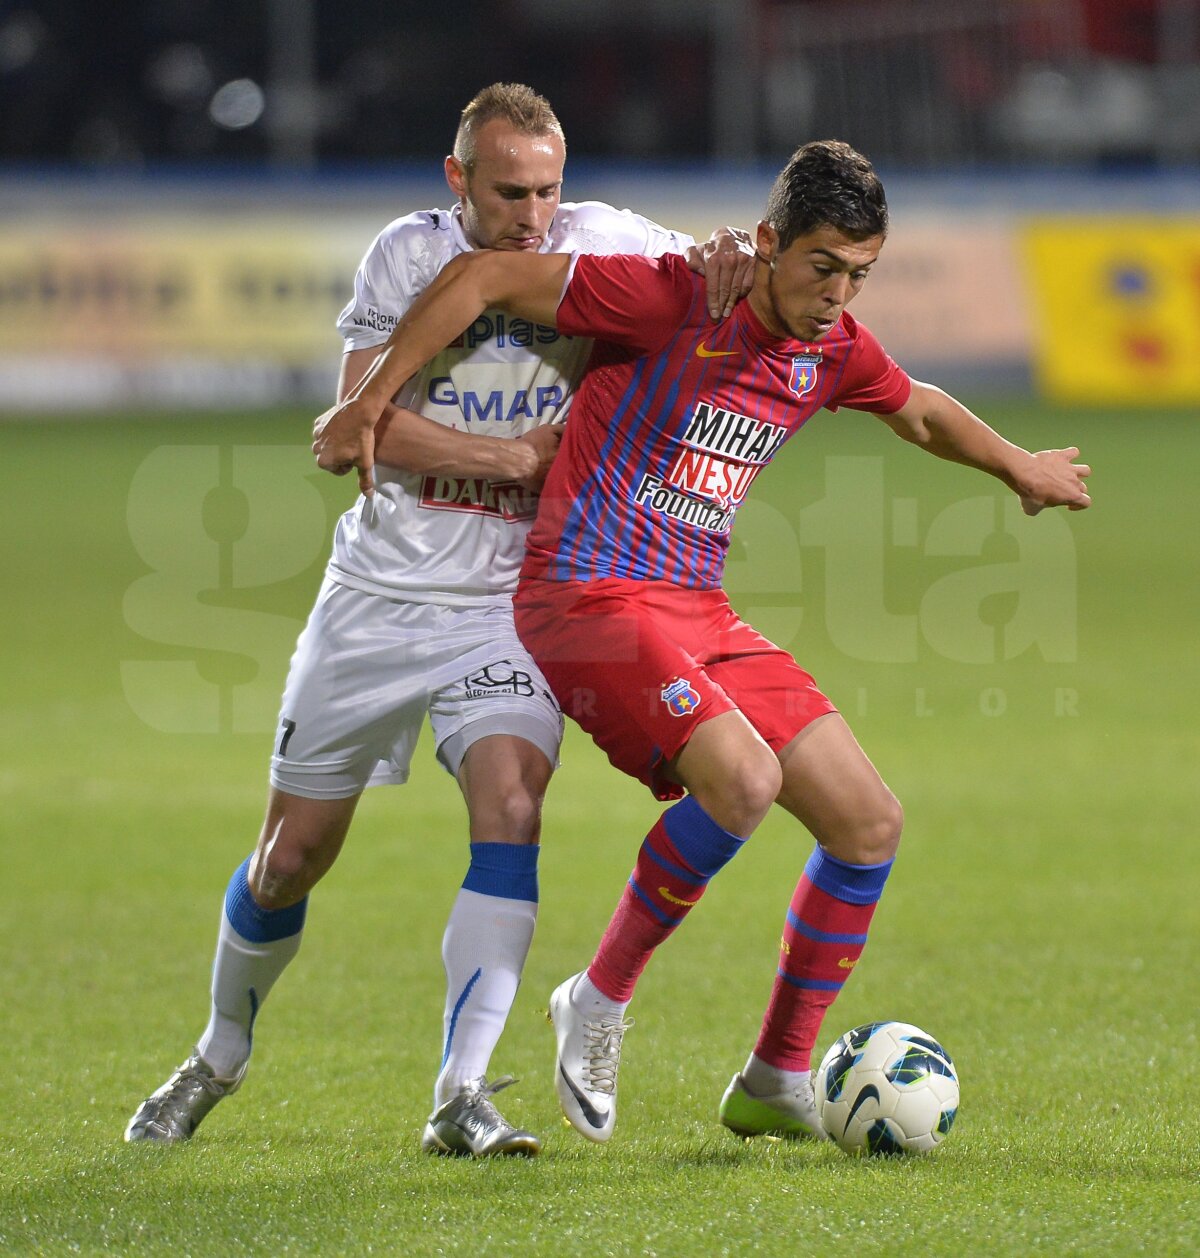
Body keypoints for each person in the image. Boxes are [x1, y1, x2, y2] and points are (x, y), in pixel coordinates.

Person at [311, 139, 1092, 1145]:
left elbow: (923, 413)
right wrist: (375, 395)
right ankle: (594, 998)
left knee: (867, 824)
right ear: (768, 244)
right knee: (744, 780)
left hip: (693, 605)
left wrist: (1018, 466)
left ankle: (774, 1076)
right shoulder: (677, 299)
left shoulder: (832, 348)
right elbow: (484, 274)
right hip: (585, 591)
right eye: (821, 267)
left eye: (860, 274)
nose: (836, 294)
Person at [124, 82, 753, 1157]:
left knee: (512, 803)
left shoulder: (600, 241)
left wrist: (734, 253)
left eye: (549, 190)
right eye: (510, 192)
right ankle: (219, 1052)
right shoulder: (405, 261)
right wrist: (512, 458)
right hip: (377, 594)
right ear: (457, 180)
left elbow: (713, 271)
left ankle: (463, 1095)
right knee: (291, 856)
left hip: (512, 602)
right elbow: (347, 435)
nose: (533, 217)